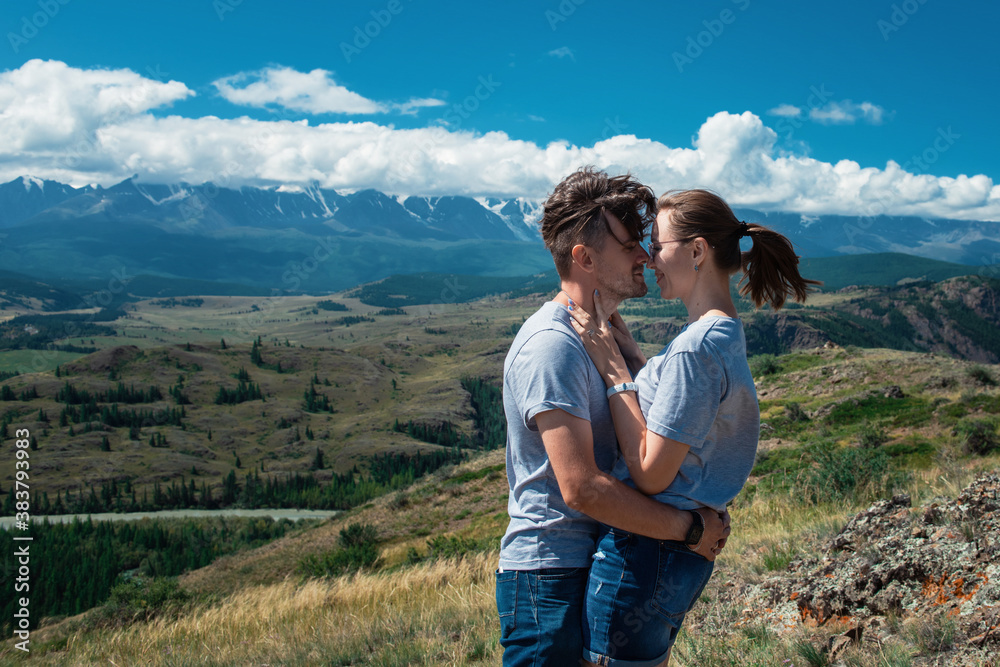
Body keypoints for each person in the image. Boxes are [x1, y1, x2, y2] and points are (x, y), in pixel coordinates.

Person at [568, 188, 821, 665]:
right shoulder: (723, 332)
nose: (648, 257)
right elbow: (687, 417)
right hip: (676, 555)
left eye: (658, 245)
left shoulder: (695, 348)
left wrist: (617, 377)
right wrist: (639, 362)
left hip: (644, 554)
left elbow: (650, 474)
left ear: (698, 250)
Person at [497, 170, 732, 666]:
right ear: (584, 258)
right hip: (550, 578)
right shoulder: (553, 347)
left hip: (586, 563)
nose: (645, 256)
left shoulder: (601, 339)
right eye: (630, 246)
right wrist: (688, 529)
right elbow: (581, 488)